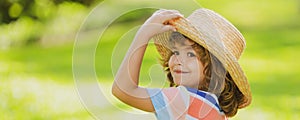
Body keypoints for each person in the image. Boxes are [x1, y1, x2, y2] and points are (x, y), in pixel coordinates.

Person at [112, 8, 252, 120]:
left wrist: (143, 34)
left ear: (215, 71)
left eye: (190, 54)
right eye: (175, 52)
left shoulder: (184, 98)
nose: (178, 60)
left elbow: (123, 90)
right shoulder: (214, 107)